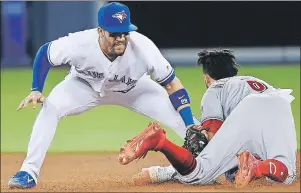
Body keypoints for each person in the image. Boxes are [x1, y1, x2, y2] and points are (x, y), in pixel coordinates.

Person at [8, 2, 198, 189]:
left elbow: (172, 84)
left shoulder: (144, 47)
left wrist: (190, 124)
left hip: (134, 89)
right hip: (83, 86)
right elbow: (45, 53)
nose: (121, 38)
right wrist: (36, 89)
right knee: (50, 107)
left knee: (183, 119)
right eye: (114, 33)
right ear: (100, 31)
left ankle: (216, 161)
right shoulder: (79, 43)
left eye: (125, 32)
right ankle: (28, 171)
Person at [118, 49, 297, 188]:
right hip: (280, 101)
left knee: (198, 175)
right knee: (286, 174)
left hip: (251, 107)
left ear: (206, 78)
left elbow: (210, 139)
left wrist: (164, 171)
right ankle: (257, 166)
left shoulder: (215, 88)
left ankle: (160, 142)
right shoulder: (252, 81)